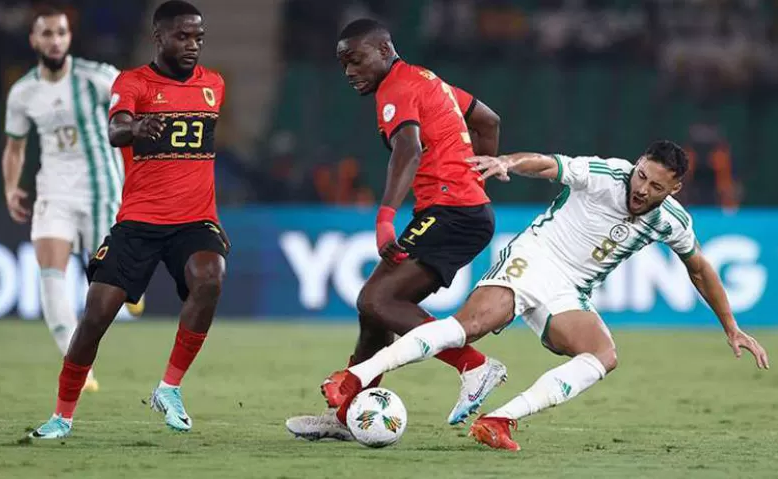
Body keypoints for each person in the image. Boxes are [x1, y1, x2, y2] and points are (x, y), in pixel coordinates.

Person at [322, 140, 770, 450]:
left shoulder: (671, 220)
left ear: (674, 190)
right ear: (636, 165)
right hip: (535, 257)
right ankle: (355, 377)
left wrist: (731, 327)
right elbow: (548, 164)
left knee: (603, 356)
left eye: (656, 186)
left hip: (569, 290)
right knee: (469, 327)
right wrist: (508, 162)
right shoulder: (606, 174)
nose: (641, 189)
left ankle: (498, 420)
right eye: (641, 176)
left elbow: (700, 268)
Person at [286, 19, 505, 441]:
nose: (349, 71)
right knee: (374, 313)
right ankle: (347, 416)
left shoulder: (397, 88)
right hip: (461, 209)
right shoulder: (427, 80)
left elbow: (409, 148)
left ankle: (475, 366)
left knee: (377, 299)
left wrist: (385, 217)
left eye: (356, 59)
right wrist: (476, 179)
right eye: (343, 64)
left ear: (385, 50)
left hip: (452, 210)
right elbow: (488, 122)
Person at [29, 0, 229, 439]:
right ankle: (62, 416)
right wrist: (134, 129)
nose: (192, 45)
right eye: (182, 36)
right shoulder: (133, 82)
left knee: (211, 276)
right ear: (158, 37)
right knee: (96, 315)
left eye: (198, 37)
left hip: (195, 219)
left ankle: (169, 389)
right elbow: (116, 129)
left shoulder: (213, 85)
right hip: (139, 221)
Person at [2, 6, 141, 395]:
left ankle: (133, 285)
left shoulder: (96, 77)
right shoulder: (24, 92)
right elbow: (15, 147)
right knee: (50, 271)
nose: (55, 40)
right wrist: (11, 188)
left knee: (110, 279)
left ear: (69, 37)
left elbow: (134, 98)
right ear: (34, 40)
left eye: (61, 33)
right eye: (47, 34)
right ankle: (77, 364)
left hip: (102, 189)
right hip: (54, 191)